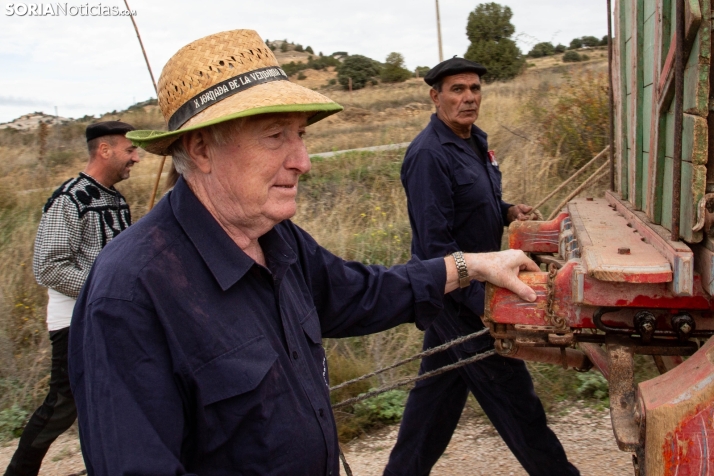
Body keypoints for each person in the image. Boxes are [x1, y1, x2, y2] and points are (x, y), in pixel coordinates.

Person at [68, 30, 539, 476]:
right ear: (202, 149)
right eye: (276, 136)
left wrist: (471, 265)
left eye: (301, 136)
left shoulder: (278, 238)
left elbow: (359, 293)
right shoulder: (130, 293)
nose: (302, 162)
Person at [383, 58, 579, 476]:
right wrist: (487, 306)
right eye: (457, 90)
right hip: (462, 301)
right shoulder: (428, 156)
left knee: (432, 408)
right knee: (519, 407)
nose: (468, 97)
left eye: (474, 88)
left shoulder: (473, 141)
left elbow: (471, 204)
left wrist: (507, 211)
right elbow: (436, 246)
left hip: (468, 298)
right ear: (435, 97)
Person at [5, 121, 139, 476]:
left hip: (107, 315)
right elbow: (48, 267)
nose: (136, 158)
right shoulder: (70, 199)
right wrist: (102, 288)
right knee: (63, 404)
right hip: (73, 321)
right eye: (130, 150)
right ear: (104, 150)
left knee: (116, 395)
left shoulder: (116, 199)